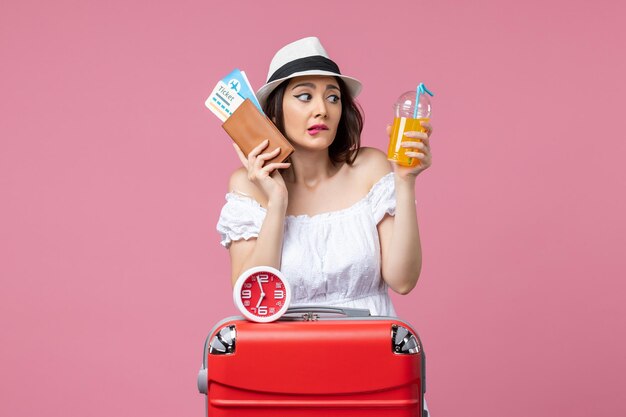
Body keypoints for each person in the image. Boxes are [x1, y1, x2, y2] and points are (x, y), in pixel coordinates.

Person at [217, 36, 433, 317]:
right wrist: (277, 201)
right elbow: (254, 303)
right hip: (288, 354)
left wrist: (405, 181)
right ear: (274, 109)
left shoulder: (369, 167)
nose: (322, 109)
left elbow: (403, 281)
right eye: (305, 96)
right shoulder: (246, 186)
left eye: (333, 97)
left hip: (369, 351)